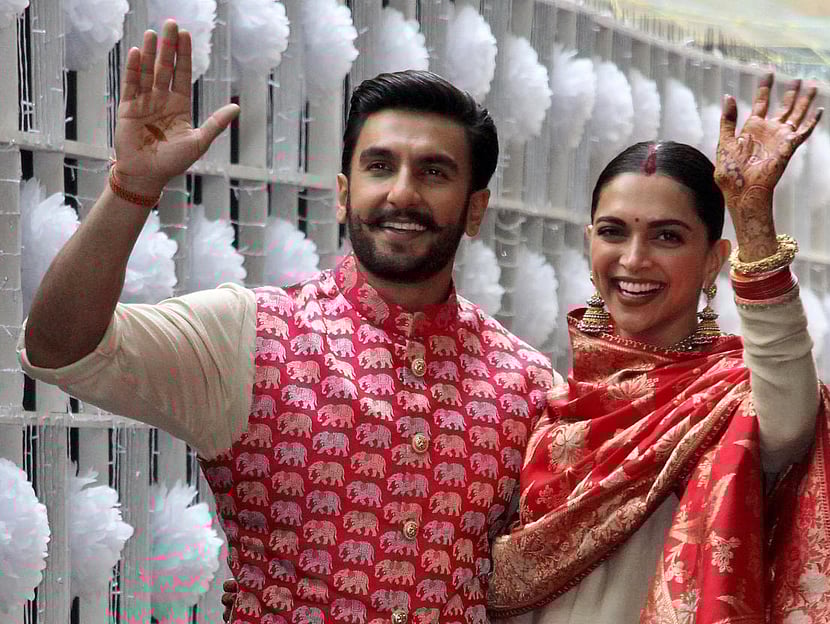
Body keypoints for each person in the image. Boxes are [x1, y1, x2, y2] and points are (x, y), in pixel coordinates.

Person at [18, 21, 555, 624]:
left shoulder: (529, 385)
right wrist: (131, 188)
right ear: (344, 193)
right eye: (381, 166)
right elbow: (59, 348)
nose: (403, 194)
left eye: (434, 172)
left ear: (475, 208)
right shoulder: (252, 335)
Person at [485, 77, 830, 623]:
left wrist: (754, 220)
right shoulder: (549, 404)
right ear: (588, 242)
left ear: (714, 260)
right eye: (613, 232)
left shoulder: (729, 399)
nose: (634, 258)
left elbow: (787, 417)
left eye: (668, 236)